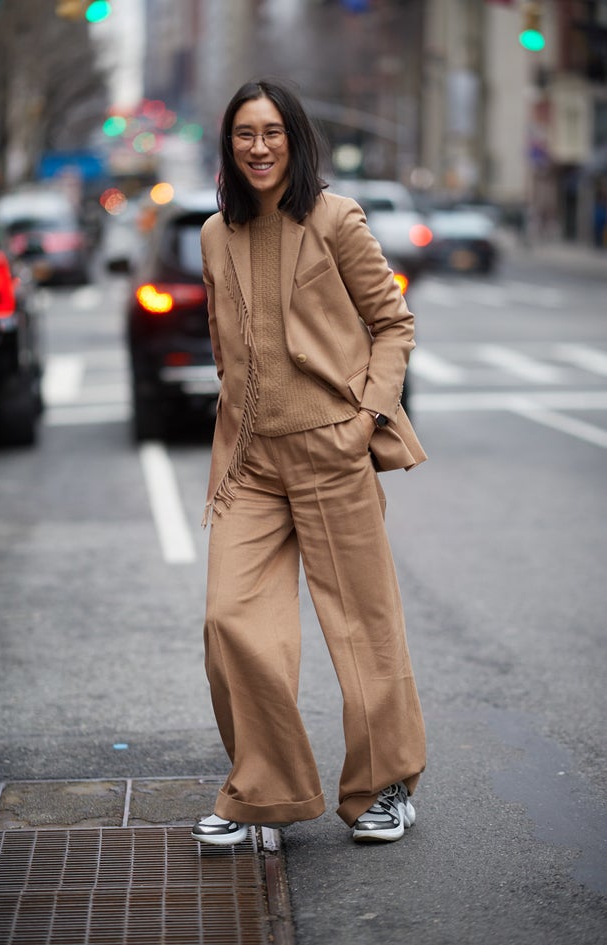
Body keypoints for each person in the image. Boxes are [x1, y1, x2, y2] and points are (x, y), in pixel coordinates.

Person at [192, 78, 426, 847]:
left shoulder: (334, 219)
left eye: (271, 133)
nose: (258, 148)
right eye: (243, 135)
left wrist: (364, 421)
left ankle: (384, 786)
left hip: (332, 450)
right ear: (228, 147)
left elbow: (392, 324)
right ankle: (266, 789)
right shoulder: (213, 236)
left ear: (294, 138)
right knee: (232, 620)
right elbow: (229, 349)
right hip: (250, 462)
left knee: (363, 629)